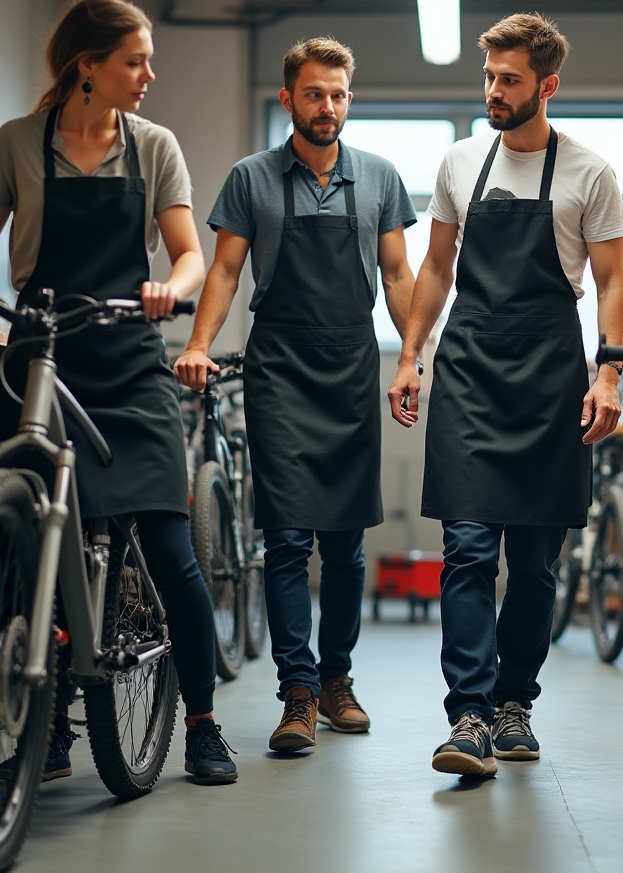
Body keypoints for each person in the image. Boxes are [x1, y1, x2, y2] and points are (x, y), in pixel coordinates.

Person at [0, 0, 237, 786]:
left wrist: (174, 284)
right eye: (135, 61)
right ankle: (49, 727)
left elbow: (189, 254)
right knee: (36, 541)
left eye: (149, 60)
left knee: (170, 549)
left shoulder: (154, 145)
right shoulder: (19, 143)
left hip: (129, 356)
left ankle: (201, 723)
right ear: (86, 66)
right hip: (43, 353)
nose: (149, 75)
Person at [387, 13, 623, 777]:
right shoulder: (461, 162)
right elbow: (436, 268)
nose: (494, 89)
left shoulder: (589, 172)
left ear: (547, 86)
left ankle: (514, 704)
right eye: (488, 76)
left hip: (551, 378)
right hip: (469, 373)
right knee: (465, 552)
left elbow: (615, 281)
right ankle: (467, 714)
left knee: (534, 564)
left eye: (510, 79)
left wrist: (610, 372)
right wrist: (410, 355)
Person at [174, 37, 416, 753]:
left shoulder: (379, 178)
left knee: (344, 547)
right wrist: (196, 345)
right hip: (278, 372)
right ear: (288, 99)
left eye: (339, 94)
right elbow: (222, 272)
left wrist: (419, 353)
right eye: (314, 94)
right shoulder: (251, 178)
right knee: (285, 539)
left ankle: (338, 680)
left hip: (350, 373)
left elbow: (399, 278)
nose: (328, 107)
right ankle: (298, 693)